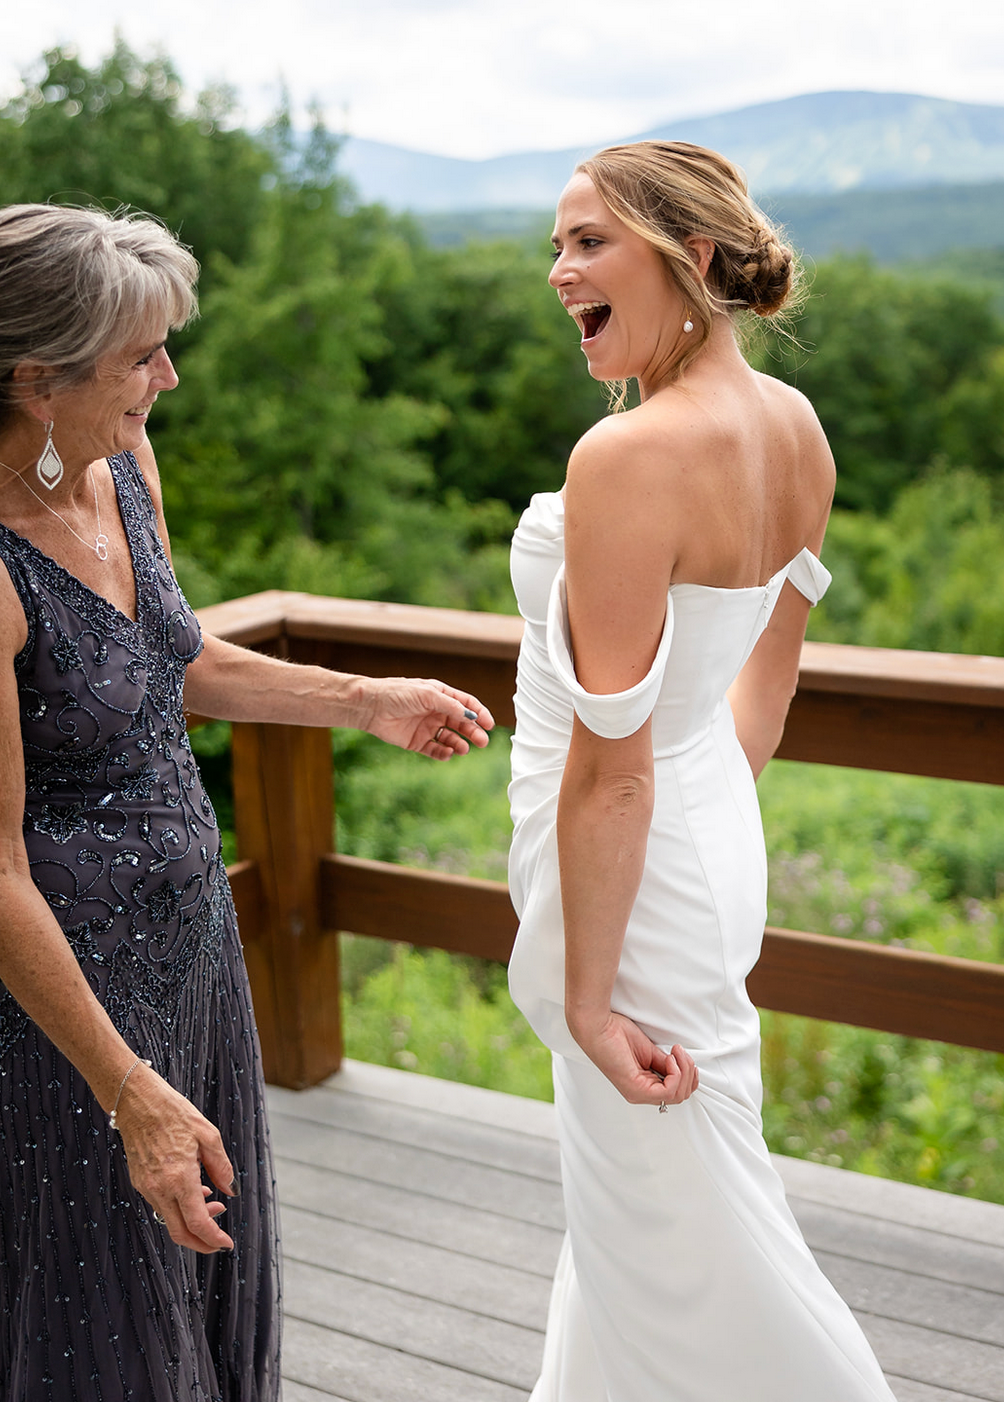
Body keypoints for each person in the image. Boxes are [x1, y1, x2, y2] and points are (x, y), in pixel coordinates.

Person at [0, 203, 494, 1402]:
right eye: (141, 357)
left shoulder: (122, 466)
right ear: (34, 378)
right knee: (97, 1315)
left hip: (194, 948)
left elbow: (172, 655)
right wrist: (128, 1091)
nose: (168, 376)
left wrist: (361, 700)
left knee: (207, 1281)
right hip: (69, 1012)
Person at [506, 142, 897, 1401]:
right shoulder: (794, 428)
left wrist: (583, 999)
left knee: (689, 1219)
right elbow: (761, 697)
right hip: (702, 834)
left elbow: (609, 775)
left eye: (587, 243)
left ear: (700, 259)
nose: (557, 270)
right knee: (655, 1204)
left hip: (627, 868)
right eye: (556, 244)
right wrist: (697, 811)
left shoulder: (624, 458)